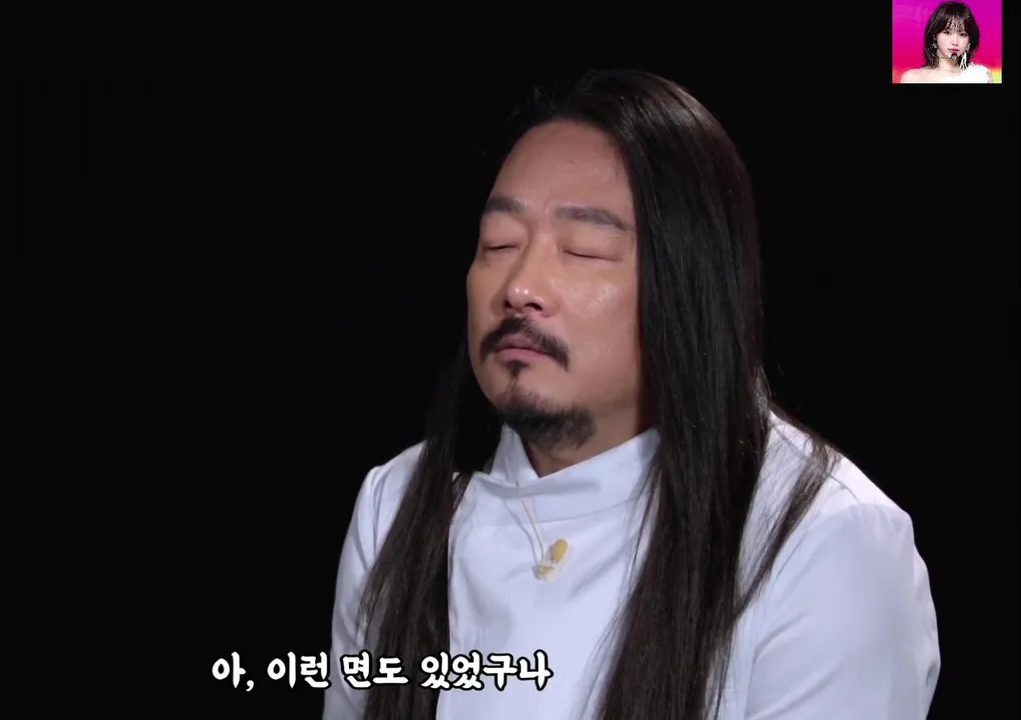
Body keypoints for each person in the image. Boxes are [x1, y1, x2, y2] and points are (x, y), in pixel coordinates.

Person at [323, 70, 941, 720]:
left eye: (584, 249)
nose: (519, 287)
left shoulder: (824, 543)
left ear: (689, 282)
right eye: (499, 244)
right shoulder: (399, 503)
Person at [901, 1, 993, 83]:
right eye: (947, 32)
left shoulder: (982, 76)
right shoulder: (914, 78)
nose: (955, 42)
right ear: (934, 36)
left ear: (970, 40)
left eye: (962, 34)